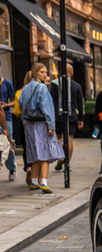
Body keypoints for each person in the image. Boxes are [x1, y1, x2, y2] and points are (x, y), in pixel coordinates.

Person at [19, 63, 64, 194]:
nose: (45, 74)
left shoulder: (25, 88)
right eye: (42, 72)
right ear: (36, 73)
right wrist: (51, 126)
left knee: (35, 152)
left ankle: (33, 181)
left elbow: (22, 107)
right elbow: (48, 108)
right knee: (45, 153)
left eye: (46, 72)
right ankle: (44, 182)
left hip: (28, 124)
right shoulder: (42, 88)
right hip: (41, 124)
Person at [50, 64, 84, 171]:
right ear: (72, 73)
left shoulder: (54, 84)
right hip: (72, 116)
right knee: (69, 139)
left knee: (58, 137)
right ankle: (67, 164)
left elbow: (50, 101)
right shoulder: (77, 86)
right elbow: (80, 104)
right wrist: (81, 119)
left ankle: (60, 156)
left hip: (58, 116)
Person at [14, 71, 32, 185]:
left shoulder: (19, 92)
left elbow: (16, 111)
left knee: (26, 147)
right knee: (36, 147)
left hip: (23, 123)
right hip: (37, 123)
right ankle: (37, 173)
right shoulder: (41, 90)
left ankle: (28, 167)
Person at [0, 61, 16, 182]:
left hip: (7, 116)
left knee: (9, 143)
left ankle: (11, 168)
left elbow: (14, 101)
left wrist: (6, 105)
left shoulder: (7, 83)